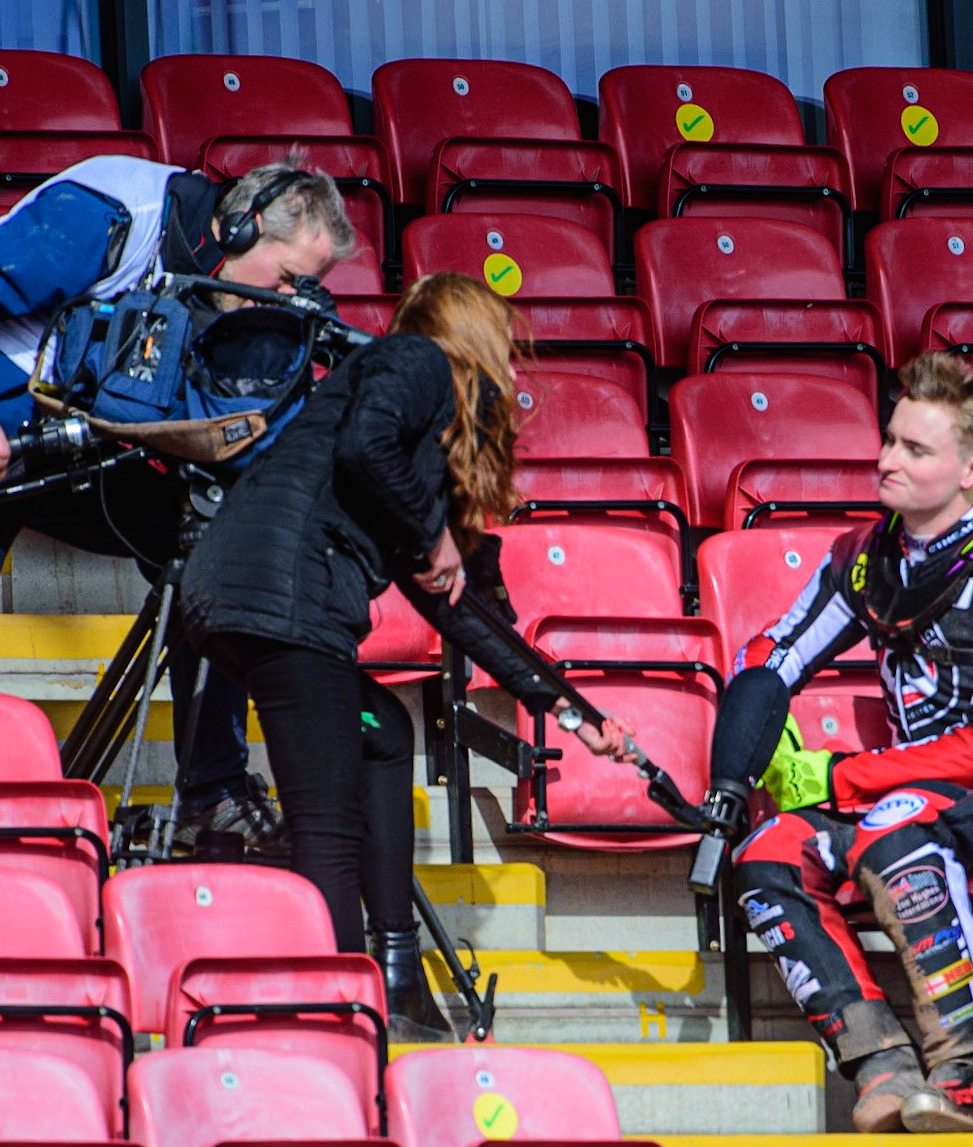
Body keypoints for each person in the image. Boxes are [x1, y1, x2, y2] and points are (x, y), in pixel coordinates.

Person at [179, 271, 636, 1040]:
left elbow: (450, 601)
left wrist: (568, 707)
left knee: (384, 729)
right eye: (507, 348)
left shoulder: (404, 457)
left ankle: (396, 968)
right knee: (324, 821)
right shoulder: (414, 359)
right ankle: (340, 1020)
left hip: (243, 605)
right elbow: (365, 451)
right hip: (285, 602)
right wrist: (431, 531)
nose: (515, 370)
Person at [0, 154, 353, 848]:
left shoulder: (226, 279)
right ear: (243, 226)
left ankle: (212, 791)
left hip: (64, 436)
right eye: (290, 278)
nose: (291, 298)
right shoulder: (113, 215)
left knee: (207, 553)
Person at [696, 353, 973, 1133]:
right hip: (900, 796)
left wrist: (840, 774)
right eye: (889, 440)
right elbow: (774, 655)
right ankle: (881, 1064)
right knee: (767, 851)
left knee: (895, 826)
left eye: (915, 449)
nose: (886, 459)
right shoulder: (866, 557)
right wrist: (735, 770)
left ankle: (968, 1068)